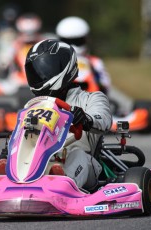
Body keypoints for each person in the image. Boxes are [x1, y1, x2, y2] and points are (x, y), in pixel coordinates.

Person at [24, 39, 112, 189]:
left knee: (78, 155)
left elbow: (103, 120)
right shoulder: (32, 106)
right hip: (40, 161)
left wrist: (86, 119)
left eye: (45, 70)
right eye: (36, 71)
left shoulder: (91, 98)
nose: (39, 75)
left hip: (85, 163)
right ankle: (7, 179)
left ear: (64, 68)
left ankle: (62, 184)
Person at [56, 16, 111, 94]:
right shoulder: (55, 60)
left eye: (77, 41)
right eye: (67, 41)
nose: (73, 46)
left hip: (91, 100)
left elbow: (105, 86)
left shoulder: (95, 62)